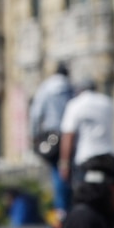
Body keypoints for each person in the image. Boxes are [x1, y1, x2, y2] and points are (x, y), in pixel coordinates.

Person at [59, 78, 114, 216]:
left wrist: (64, 163)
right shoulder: (107, 102)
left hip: (85, 157)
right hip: (107, 155)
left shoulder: (75, 104)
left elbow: (68, 136)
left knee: (84, 198)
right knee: (106, 196)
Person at [29, 62, 74, 216]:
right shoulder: (70, 88)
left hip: (52, 135)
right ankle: (69, 205)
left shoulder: (46, 88)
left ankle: (60, 208)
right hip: (69, 134)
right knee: (69, 168)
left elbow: (36, 113)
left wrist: (34, 134)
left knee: (57, 170)